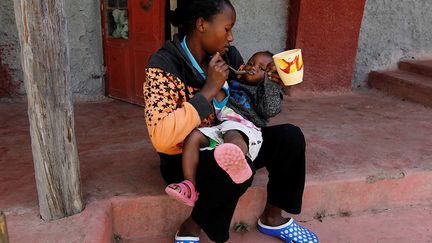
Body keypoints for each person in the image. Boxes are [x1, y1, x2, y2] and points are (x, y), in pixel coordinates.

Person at [144, 0, 319, 242]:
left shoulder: (227, 56)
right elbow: (162, 139)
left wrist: (271, 82)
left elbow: (254, 103)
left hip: (231, 140)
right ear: (201, 24)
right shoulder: (163, 65)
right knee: (239, 168)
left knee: (290, 137)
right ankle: (192, 225)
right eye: (227, 29)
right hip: (187, 158)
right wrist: (208, 90)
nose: (231, 38)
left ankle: (273, 218)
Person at [165, 51, 284, 207]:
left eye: (262, 68)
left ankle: (239, 164)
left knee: (233, 132)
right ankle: (189, 186)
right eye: (251, 63)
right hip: (221, 127)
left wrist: (271, 83)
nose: (253, 68)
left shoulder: (264, 92)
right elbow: (219, 94)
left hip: (247, 130)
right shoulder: (235, 83)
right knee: (193, 136)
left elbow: (271, 109)